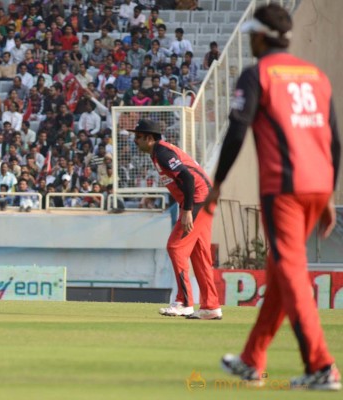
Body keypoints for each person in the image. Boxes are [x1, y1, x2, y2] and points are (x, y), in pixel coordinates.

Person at [203, 4, 341, 391]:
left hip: (283, 190)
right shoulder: (316, 75)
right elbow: (335, 139)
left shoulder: (257, 74)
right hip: (317, 185)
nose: (249, 40)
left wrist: (217, 183)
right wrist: (328, 190)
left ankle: (322, 365)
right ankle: (252, 360)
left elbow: (236, 131)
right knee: (281, 272)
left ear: (262, 36)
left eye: (251, 34)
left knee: (291, 273)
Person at [128, 119, 221, 320]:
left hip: (199, 199)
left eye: (138, 137)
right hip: (203, 198)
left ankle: (184, 302)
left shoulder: (162, 153)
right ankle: (211, 306)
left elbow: (187, 178)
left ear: (149, 138)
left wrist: (187, 209)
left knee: (175, 247)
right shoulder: (158, 152)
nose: (135, 141)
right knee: (199, 254)